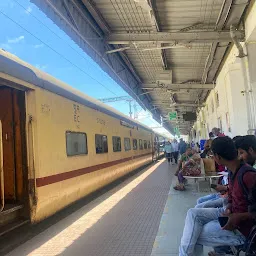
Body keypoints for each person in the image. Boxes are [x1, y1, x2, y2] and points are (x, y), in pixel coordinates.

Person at [179, 137, 256, 256]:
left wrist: (238, 217)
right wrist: (229, 207)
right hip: (231, 213)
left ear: (218, 157)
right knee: (192, 213)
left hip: (244, 230)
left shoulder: (248, 176)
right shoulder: (233, 171)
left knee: (193, 235)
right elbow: (231, 196)